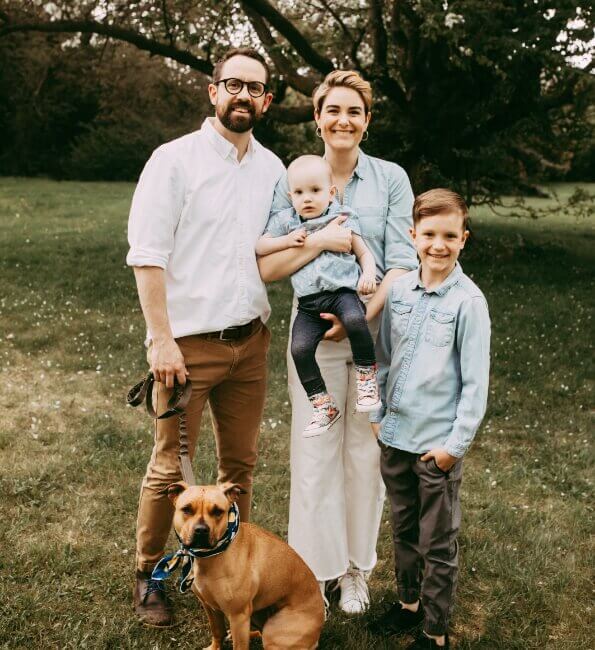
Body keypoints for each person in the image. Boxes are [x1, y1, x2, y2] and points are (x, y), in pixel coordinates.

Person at [126, 47, 284, 627]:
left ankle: (227, 571)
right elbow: (147, 256)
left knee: (239, 468)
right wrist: (160, 340)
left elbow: (277, 249)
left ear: (266, 101)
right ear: (212, 90)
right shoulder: (174, 161)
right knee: (171, 470)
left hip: (251, 343)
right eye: (233, 84)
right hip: (186, 349)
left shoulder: (273, 168)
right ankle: (149, 574)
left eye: (256, 88)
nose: (244, 95)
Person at [258, 70, 418, 614]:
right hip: (313, 337)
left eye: (354, 111)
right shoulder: (295, 177)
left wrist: (359, 315)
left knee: (363, 454)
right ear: (318, 119)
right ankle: (310, 575)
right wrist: (322, 241)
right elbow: (270, 263)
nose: (343, 120)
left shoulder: (391, 179)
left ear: (366, 122)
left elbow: (402, 261)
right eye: (333, 111)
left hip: (372, 335)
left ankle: (354, 570)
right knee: (314, 454)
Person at [368, 189, 491, 649]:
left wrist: (452, 449)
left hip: (434, 446)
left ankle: (434, 630)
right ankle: (407, 605)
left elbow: (475, 384)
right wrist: (377, 416)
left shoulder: (468, 303)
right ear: (413, 235)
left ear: (463, 239)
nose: (438, 245)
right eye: (429, 235)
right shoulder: (398, 290)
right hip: (395, 436)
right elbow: (381, 359)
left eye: (448, 236)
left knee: (437, 542)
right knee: (402, 527)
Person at [256, 154, 380, 437]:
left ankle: (366, 379)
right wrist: (286, 241)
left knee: (355, 319)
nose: (307, 199)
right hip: (309, 304)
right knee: (298, 349)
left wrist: (368, 274)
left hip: (342, 294)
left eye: (315, 191)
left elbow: (363, 252)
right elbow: (260, 246)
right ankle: (323, 405)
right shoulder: (287, 222)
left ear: (331, 192)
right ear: (291, 195)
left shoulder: (343, 217)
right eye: (299, 193)